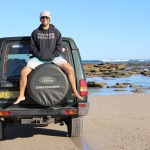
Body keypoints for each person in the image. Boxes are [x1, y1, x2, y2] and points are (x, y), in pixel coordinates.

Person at [14, 10, 83, 104]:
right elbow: (32, 47)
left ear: (50, 19)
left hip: (54, 57)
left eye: (46, 17)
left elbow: (59, 46)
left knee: (70, 69)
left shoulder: (56, 32)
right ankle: (21, 95)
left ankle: (75, 91)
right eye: (42, 17)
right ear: (40, 19)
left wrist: (52, 55)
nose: (44, 19)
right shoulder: (35, 32)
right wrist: (39, 55)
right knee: (23, 72)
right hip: (38, 58)